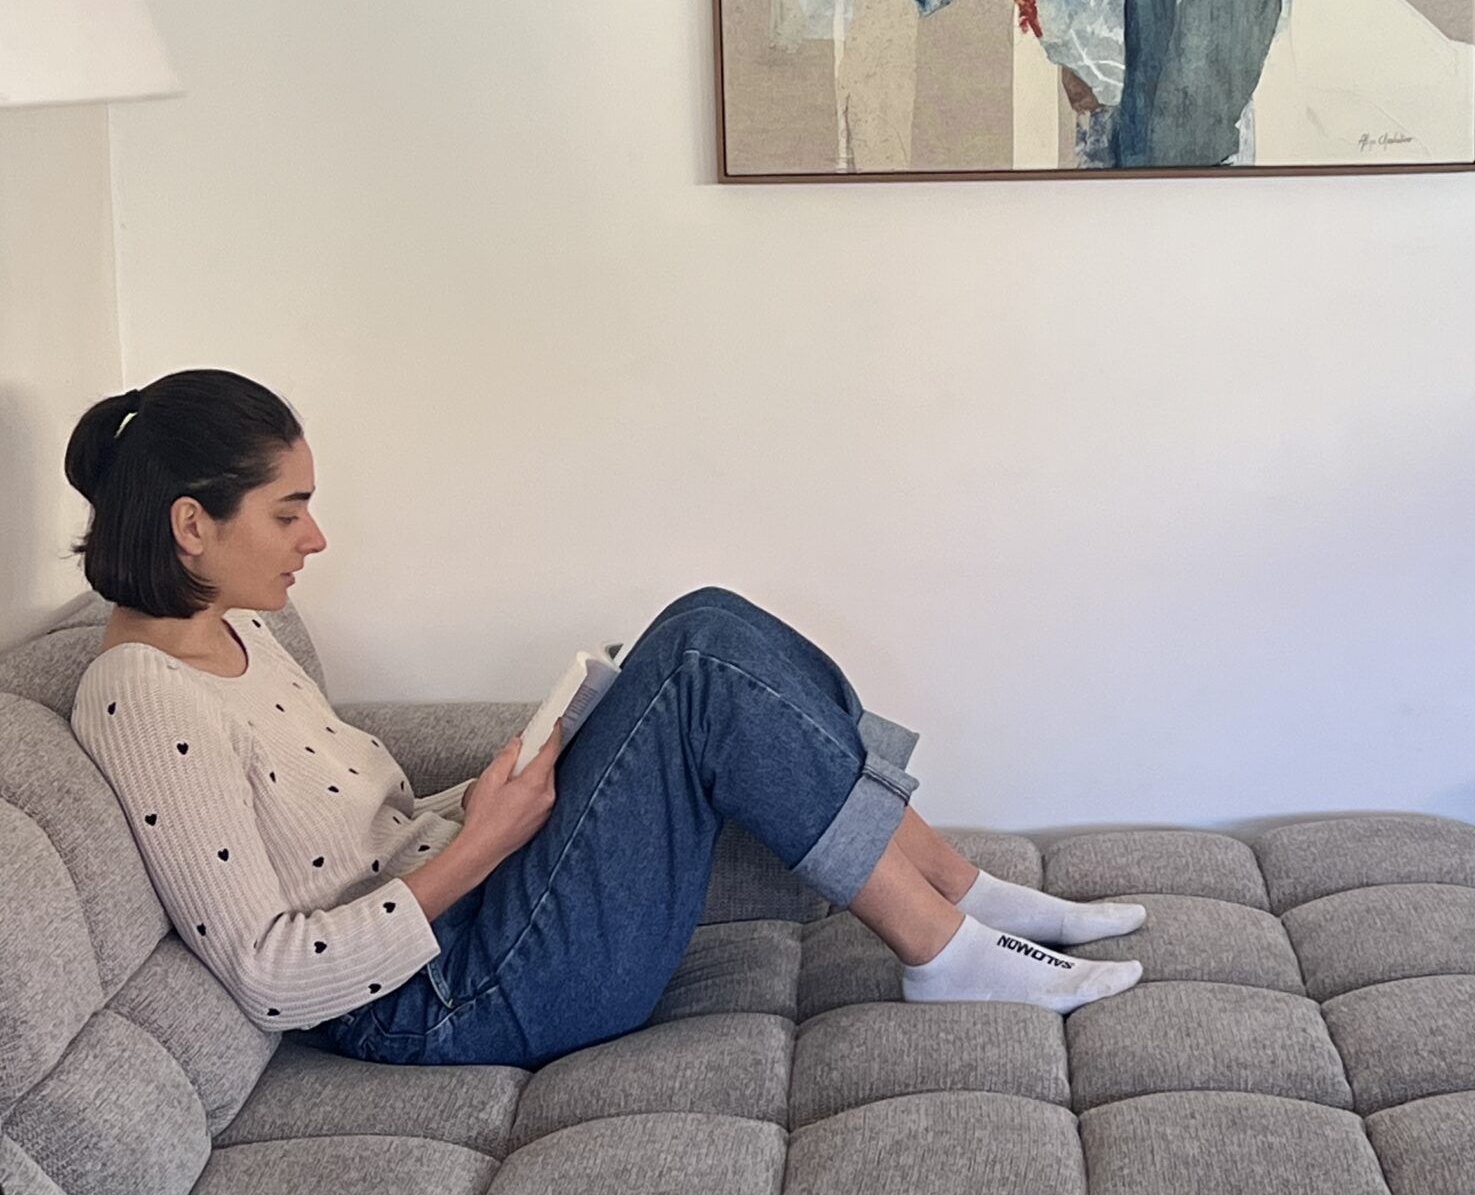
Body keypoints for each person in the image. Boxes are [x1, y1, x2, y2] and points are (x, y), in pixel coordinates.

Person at [62, 371, 1144, 1067]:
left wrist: (502, 791)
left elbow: (354, 836)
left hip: (478, 919)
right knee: (698, 666)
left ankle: (954, 885)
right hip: (442, 998)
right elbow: (272, 975)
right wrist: (486, 841)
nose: (317, 538)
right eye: (289, 511)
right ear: (192, 525)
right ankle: (939, 947)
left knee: (704, 619)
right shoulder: (141, 696)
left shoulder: (238, 631)